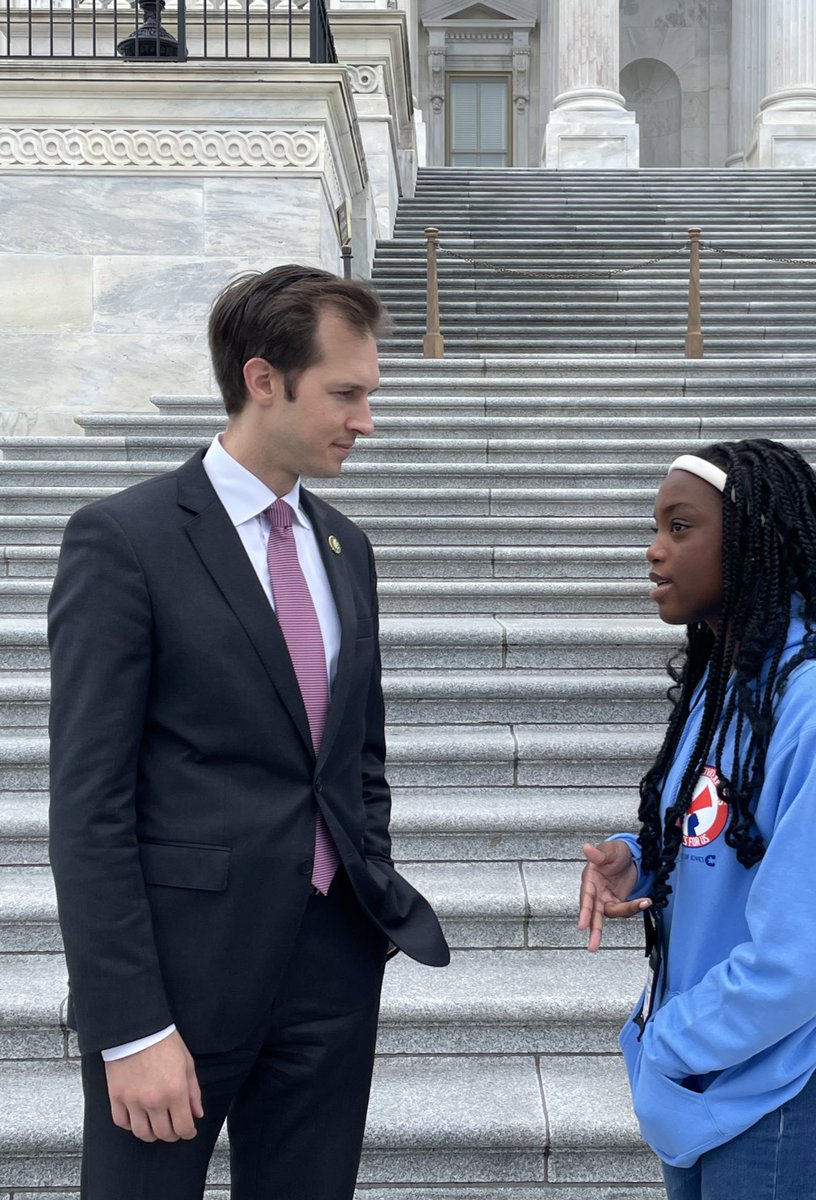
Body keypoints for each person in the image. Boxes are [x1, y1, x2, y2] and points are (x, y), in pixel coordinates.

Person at [47, 264, 450, 1200]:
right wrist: (130, 1025)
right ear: (263, 379)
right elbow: (87, 805)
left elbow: (358, 758)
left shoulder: (347, 546)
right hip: (179, 982)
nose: (365, 420)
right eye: (345, 393)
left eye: (369, 394)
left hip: (330, 970)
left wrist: (366, 885)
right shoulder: (124, 539)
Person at [577, 440, 816, 1200]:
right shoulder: (729, 678)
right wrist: (638, 856)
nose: (653, 549)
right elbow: (714, 829)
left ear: (754, 539)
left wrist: (668, 1041)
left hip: (777, 1093)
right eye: (656, 527)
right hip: (705, 1078)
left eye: (679, 527)